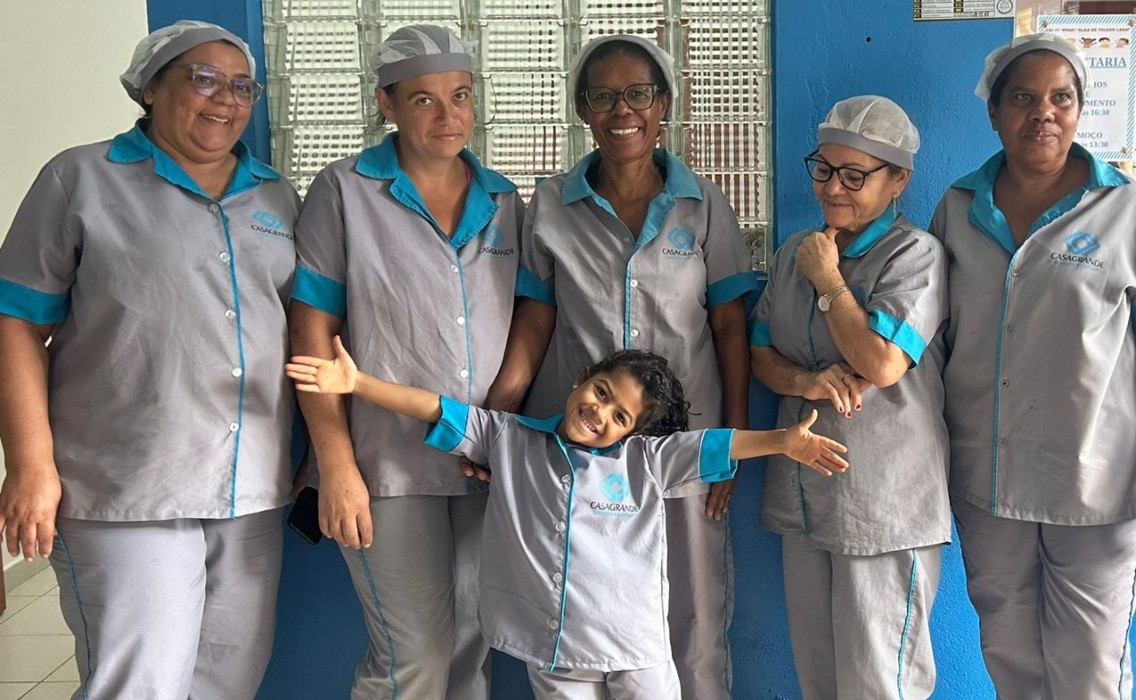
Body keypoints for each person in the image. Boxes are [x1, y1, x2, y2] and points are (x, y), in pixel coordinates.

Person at [0, 20, 299, 698]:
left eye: (241, 86)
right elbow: (15, 324)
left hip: (247, 486)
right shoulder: (80, 178)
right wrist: (29, 466)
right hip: (123, 484)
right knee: (137, 685)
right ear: (149, 89)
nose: (224, 99)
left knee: (227, 682)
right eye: (202, 79)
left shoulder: (275, 196)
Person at [287, 340, 847, 699]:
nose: (599, 413)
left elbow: (715, 443)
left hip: (636, 648)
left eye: (619, 415)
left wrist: (783, 442)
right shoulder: (510, 440)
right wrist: (357, 385)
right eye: (600, 393)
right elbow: (437, 408)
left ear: (634, 431)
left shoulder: (646, 460)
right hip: (556, 652)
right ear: (582, 377)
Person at [482, 34, 756, 698]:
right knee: (586, 611)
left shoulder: (704, 204)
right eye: (603, 96)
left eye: (639, 93)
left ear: (664, 104)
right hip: (584, 456)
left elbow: (728, 324)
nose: (622, 110)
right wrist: (500, 421)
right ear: (582, 109)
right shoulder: (548, 205)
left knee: (692, 605)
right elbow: (536, 321)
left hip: (684, 448)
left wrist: (734, 445)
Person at [930, 33, 1136, 699]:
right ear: (993, 112)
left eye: (1061, 98)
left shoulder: (1129, 208)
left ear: (1081, 111)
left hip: (1101, 487)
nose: (1043, 113)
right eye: (1023, 98)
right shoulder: (959, 209)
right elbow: (934, 344)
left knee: (1089, 670)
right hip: (988, 482)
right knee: (1010, 657)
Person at [288, 24, 523, 699]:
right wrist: (335, 465)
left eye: (460, 96)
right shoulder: (343, 193)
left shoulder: (506, 202)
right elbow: (312, 335)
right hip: (384, 464)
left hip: (481, 460)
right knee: (412, 657)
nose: (448, 117)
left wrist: (498, 419)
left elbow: (530, 315)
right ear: (385, 104)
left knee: (472, 646)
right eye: (423, 100)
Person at [750, 95, 950, 698]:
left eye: (855, 176)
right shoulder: (794, 254)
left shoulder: (915, 255)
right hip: (806, 499)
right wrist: (805, 382)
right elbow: (760, 355)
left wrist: (830, 280)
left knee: (878, 682)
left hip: (885, 506)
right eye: (824, 169)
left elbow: (882, 363)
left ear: (899, 182)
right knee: (821, 679)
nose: (833, 188)